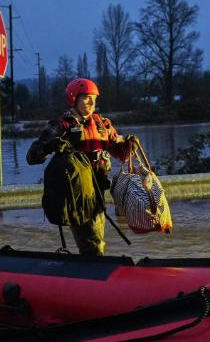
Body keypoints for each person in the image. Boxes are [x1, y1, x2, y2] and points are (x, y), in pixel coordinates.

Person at [27, 78, 137, 255]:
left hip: (98, 189)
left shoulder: (103, 124)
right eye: (86, 97)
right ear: (74, 99)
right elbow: (32, 157)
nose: (92, 102)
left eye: (94, 98)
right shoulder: (62, 125)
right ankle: (95, 273)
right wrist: (49, 147)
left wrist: (128, 145)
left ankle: (90, 270)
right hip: (75, 193)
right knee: (92, 244)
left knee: (97, 239)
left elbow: (122, 155)